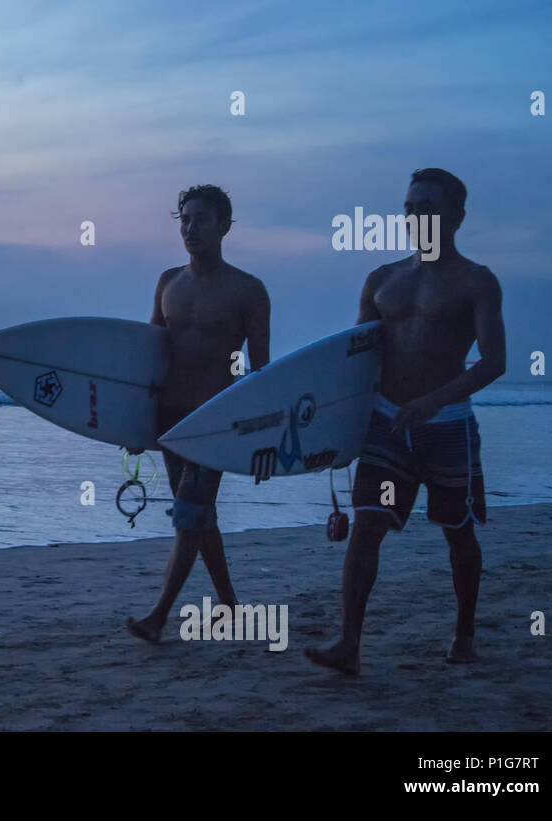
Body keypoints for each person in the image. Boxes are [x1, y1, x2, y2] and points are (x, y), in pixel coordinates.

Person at [306, 168, 506, 675]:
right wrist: (330, 427)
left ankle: (464, 634)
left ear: (456, 216)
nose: (417, 216)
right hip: (387, 423)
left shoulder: (476, 281)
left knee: (457, 531)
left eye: (429, 207)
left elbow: (494, 361)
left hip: (448, 426)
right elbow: (355, 357)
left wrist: (435, 401)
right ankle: (348, 644)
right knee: (367, 526)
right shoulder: (382, 280)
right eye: (411, 207)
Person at [126, 185, 271, 644]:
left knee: (188, 512)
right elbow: (150, 356)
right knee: (200, 515)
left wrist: (258, 435)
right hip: (171, 416)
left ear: (225, 225)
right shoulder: (168, 282)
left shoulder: (248, 290)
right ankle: (229, 605)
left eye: (201, 219)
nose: (190, 228)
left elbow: (262, 370)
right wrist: (132, 422)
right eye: (185, 219)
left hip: (216, 416)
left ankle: (159, 616)